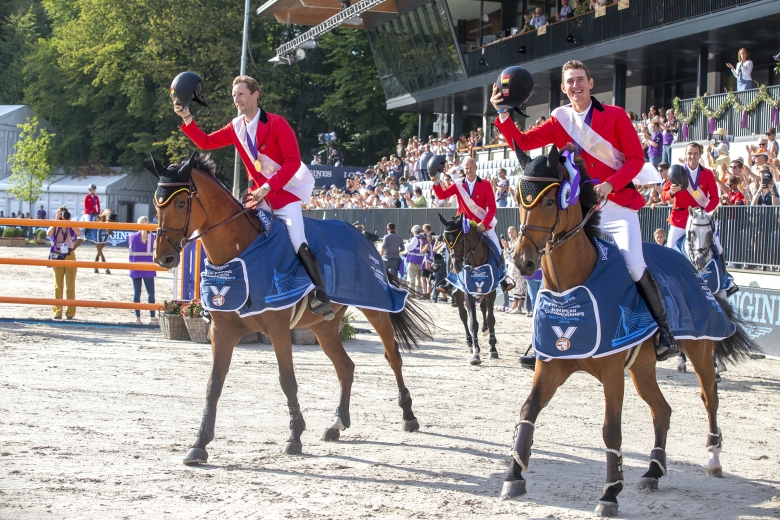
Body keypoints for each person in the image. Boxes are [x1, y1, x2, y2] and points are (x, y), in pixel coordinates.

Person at [492, 60, 678, 360]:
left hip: (617, 207)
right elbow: (523, 142)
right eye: (569, 82)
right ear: (564, 88)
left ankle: (663, 332)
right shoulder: (559, 120)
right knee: (554, 264)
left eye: (580, 80)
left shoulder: (615, 116)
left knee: (633, 264)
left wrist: (611, 184)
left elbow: (633, 160)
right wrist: (502, 113)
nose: (575, 85)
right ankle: (541, 337)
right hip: (581, 211)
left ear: (590, 84)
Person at [173, 73, 334, 320]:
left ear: (255, 95)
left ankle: (320, 295)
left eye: (241, 94)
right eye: (234, 95)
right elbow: (205, 143)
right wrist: (186, 117)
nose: (236, 99)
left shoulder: (278, 123)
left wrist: (269, 187)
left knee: (297, 240)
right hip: (256, 199)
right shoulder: (235, 127)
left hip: (283, 196)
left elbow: (292, 162)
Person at [429, 155, 514, 294]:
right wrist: (436, 182)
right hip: (463, 225)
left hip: (482, 224)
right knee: (450, 247)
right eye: (466, 169)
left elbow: (492, 208)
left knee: (497, 248)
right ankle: (450, 281)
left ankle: (503, 279)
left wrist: (484, 223)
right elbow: (442, 196)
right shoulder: (458, 184)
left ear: (476, 168)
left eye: (471, 168)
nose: (469, 171)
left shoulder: (485, 184)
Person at [47, 206, 83, 320]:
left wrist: (69, 222)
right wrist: (55, 221)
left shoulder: (70, 224)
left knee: (70, 286)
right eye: (60, 214)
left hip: (69, 254)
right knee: (58, 286)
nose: (63, 217)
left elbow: (79, 233)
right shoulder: (55, 225)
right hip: (57, 254)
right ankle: (57, 312)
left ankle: (70, 313)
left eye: (64, 214)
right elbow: (49, 234)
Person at [128, 216, 158, 325]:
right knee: (150, 293)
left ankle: (138, 317)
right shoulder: (152, 238)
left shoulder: (131, 237)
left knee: (137, 292)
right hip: (148, 267)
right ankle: (152, 317)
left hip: (135, 266)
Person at [404, 225, 426, 294]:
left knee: (412, 277)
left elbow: (408, 248)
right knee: (419, 278)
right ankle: (418, 292)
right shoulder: (424, 238)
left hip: (413, 261)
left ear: (415, 231)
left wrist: (407, 243)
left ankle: (411, 292)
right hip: (421, 261)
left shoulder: (415, 238)